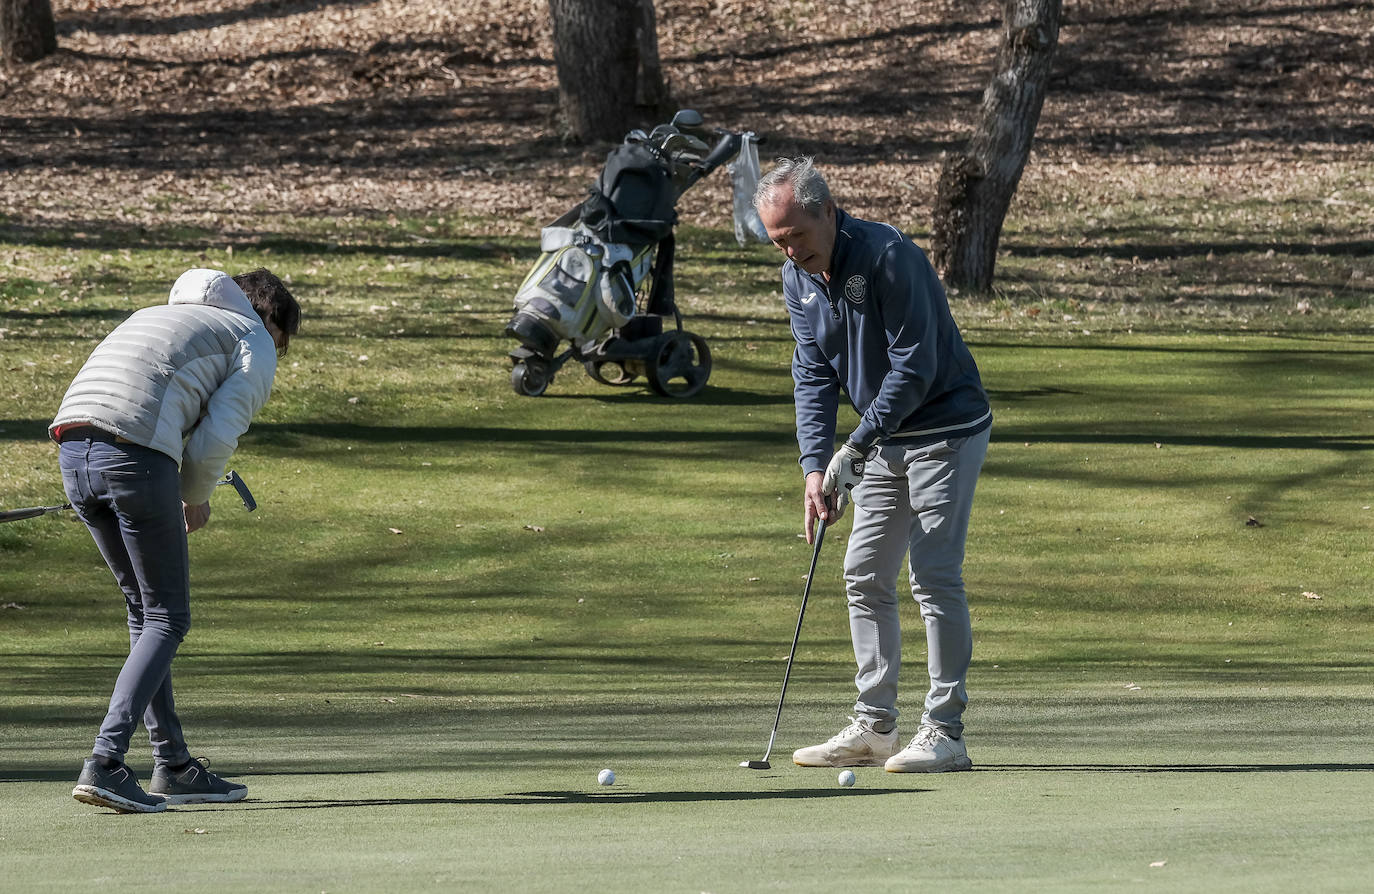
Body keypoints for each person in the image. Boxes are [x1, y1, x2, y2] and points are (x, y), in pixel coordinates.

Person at [754, 158, 992, 773]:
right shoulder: (798, 279)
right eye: (776, 241)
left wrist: (856, 444)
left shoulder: (889, 257)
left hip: (944, 427)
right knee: (864, 573)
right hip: (882, 438)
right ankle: (875, 726)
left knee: (934, 576)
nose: (788, 251)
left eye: (795, 236)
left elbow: (913, 367)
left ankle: (945, 731)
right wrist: (814, 465)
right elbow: (812, 373)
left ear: (827, 212)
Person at [51, 267, 299, 812]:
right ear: (268, 318)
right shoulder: (250, 336)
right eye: (284, 341)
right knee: (168, 616)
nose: (279, 351)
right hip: (135, 455)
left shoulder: (155, 316)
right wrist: (195, 493)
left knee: (145, 612)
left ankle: (175, 765)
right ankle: (106, 761)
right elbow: (220, 431)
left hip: (72, 448)